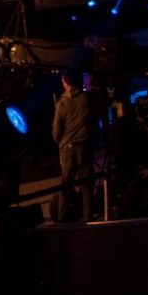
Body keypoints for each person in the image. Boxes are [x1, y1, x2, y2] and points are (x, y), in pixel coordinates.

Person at [52, 70, 97, 222]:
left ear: (65, 81)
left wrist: (60, 140)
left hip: (68, 147)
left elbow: (56, 130)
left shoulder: (62, 103)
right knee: (87, 184)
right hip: (84, 144)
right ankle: (88, 216)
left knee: (66, 185)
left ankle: (62, 220)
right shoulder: (86, 98)